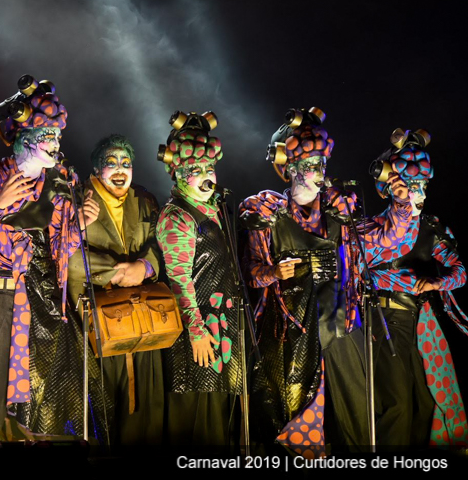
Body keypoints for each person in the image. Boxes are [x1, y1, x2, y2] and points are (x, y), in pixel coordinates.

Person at [239, 107, 410, 457]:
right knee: (296, 423)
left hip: (340, 324)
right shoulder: (268, 213)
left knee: (357, 414)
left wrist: (402, 203)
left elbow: (385, 238)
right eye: (311, 165)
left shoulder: (338, 211)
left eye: (322, 164)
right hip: (292, 333)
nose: (320, 172)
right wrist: (273, 273)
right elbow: (251, 273)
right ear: (290, 168)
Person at [0, 75, 105, 457]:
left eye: (57, 136)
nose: (55, 144)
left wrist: (79, 226)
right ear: (25, 138)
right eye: (47, 136)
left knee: (45, 398)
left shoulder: (60, 182)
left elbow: (59, 249)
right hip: (0, 295)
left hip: (44, 299)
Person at [364, 129, 467, 447]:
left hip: (422, 321)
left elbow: (460, 271)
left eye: (421, 183)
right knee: (398, 403)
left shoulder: (431, 228)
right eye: (408, 185)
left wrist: (438, 281)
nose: (416, 191)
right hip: (384, 319)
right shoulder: (373, 229)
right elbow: (373, 257)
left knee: (428, 401)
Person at [67, 134, 162, 446]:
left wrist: (144, 267)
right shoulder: (75, 199)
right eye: (111, 163)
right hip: (97, 316)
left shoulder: (144, 200)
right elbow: (67, 257)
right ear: (96, 169)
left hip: (142, 316)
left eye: (126, 163)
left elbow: (160, 246)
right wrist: (118, 271)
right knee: (104, 402)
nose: (120, 170)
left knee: (146, 404)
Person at [155, 111, 242, 450]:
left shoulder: (216, 210)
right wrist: (196, 331)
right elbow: (179, 279)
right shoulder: (177, 216)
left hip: (224, 326)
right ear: (178, 175)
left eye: (209, 169)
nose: (206, 177)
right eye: (196, 170)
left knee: (220, 417)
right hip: (200, 330)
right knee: (198, 421)